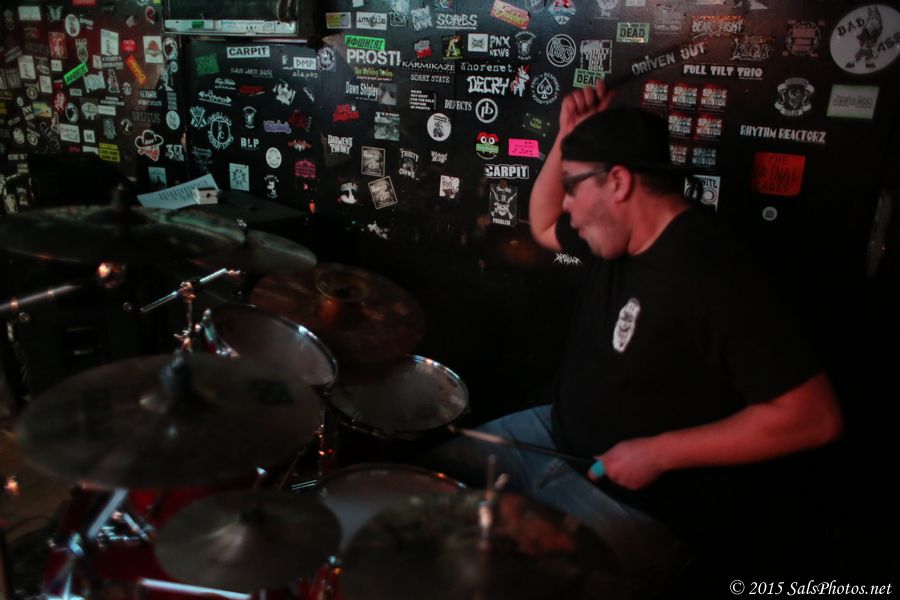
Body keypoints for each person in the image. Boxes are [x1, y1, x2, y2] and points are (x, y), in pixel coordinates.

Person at [426, 81, 843, 598]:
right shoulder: (615, 233)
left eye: (573, 186)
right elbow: (543, 222)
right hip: (551, 434)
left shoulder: (712, 271)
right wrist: (566, 137)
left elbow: (814, 416)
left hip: (638, 502)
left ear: (618, 182)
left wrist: (659, 453)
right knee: (420, 486)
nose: (569, 206)